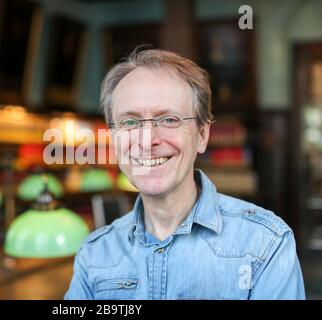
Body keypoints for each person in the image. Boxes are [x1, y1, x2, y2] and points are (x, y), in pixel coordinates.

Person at [64, 48, 305, 300]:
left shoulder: (266, 244)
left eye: (168, 119)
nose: (147, 141)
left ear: (202, 135)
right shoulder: (94, 254)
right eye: (130, 122)